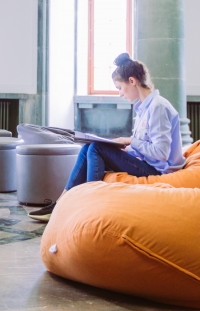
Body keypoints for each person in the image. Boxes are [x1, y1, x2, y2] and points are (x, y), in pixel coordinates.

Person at [28, 52, 184, 221]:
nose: (120, 94)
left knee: (96, 148)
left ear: (132, 81)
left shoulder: (157, 107)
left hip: (157, 170)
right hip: (145, 162)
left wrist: (131, 140)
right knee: (89, 146)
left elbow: (161, 153)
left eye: (119, 88)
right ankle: (60, 204)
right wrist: (123, 145)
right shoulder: (143, 108)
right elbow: (145, 145)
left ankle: (89, 206)